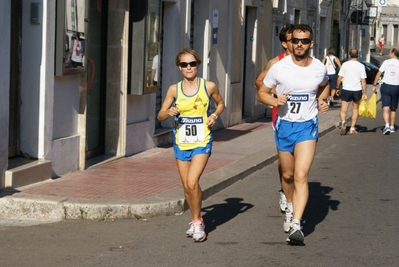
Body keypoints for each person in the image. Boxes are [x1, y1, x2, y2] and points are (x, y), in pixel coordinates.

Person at [257, 24, 330, 244]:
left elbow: (325, 85)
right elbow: (261, 91)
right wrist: (274, 101)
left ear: (311, 43)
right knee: (287, 175)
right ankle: (290, 204)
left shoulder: (319, 67)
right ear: (290, 43)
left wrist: (322, 100)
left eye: (304, 41)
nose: (299, 44)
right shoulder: (280, 67)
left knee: (301, 175)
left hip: (307, 125)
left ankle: (297, 225)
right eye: (296, 40)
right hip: (285, 126)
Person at [157, 47, 225, 242]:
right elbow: (160, 115)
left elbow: (221, 104)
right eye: (184, 64)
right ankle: (195, 218)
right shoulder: (174, 89)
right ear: (179, 67)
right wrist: (168, 112)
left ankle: (197, 221)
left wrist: (213, 115)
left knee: (193, 181)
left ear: (198, 65)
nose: (189, 67)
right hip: (181, 141)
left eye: (192, 64)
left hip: (202, 140)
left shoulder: (208, 86)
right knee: (187, 186)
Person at [255, 24, 294, 214]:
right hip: (280, 114)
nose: (297, 43)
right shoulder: (275, 62)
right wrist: (274, 94)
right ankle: (285, 191)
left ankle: (292, 191)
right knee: (284, 159)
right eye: (292, 39)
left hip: (302, 115)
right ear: (284, 43)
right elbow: (258, 82)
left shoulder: (306, 62)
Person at [336, 48, 367, 135]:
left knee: (343, 109)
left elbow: (339, 78)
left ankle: (343, 122)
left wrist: (338, 88)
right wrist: (364, 92)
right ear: (358, 55)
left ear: (349, 55)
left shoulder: (345, 65)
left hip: (346, 89)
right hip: (357, 90)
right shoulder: (361, 66)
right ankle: (352, 128)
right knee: (355, 109)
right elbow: (363, 80)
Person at [372, 48, 399, 134]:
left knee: (385, 107)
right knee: (393, 108)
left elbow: (379, 73)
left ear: (392, 54)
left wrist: (374, 84)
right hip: (396, 86)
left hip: (386, 85)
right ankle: (392, 127)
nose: (388, 54)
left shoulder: (386, 62)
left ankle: (386, 126)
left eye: (390, 52)